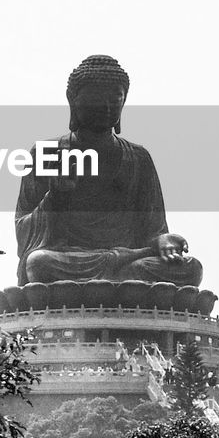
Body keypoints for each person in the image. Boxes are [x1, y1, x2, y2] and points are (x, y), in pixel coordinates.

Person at [14, 54, 203, 286]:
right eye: (95, 100)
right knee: (39, 263)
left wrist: (162, 239)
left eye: (114, 100)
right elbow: (22, 229)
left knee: (191, 269)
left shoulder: (139, 158)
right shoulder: (46, 153)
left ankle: (114, 279)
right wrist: (56, 199)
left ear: (123, 103)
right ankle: (118, 282)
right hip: (70, 260)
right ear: (73, 101)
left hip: (130, 260)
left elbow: (152, 230)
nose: (105, 108)